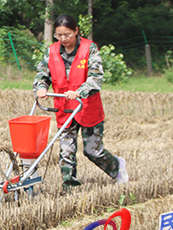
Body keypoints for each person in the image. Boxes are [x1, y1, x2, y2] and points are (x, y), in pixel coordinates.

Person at [33, 14, 128, 191]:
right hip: (64, 109)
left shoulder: (89, 49)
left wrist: (79, 92)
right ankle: (70, 188)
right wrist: (40, 87)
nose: (63, 39)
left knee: (93, 152)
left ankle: (117, 167)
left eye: (67, 35)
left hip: (87, 108)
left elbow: (96, 78)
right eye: (59, 35)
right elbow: (42, 74)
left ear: (76, 31)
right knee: (66, 153)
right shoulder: (52, 51)